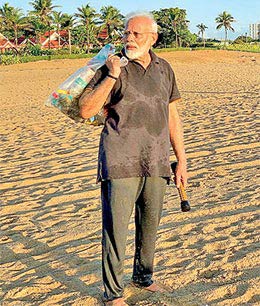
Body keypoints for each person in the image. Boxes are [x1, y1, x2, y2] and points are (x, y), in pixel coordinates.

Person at [79, 11, 187, 306]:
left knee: (150, 225)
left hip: (156, 159)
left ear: (153, 38)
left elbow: (172, 116)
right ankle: (112, 293)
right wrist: (112, 73)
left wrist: (181, 160)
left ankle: (143, 277)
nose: (128, 38)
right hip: (119, 159)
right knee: (116, 230)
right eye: (126, 33)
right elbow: (86, 110)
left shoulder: (165, 69)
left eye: (136, 34)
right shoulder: (112, 66)